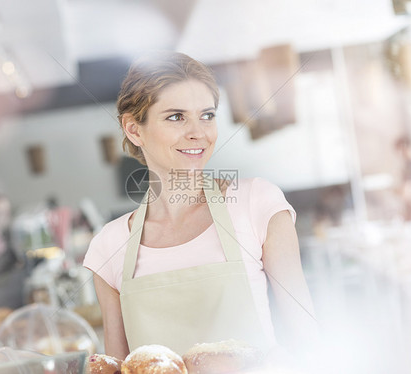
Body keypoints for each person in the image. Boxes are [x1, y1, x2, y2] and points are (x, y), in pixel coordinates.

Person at [83, 52, 317, 360]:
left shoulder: (257, 205)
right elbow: (121, 367)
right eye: (176, 117)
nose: (199, 132)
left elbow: (310, 344)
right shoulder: (109, 246)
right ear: (134, 129)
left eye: (207, 115)